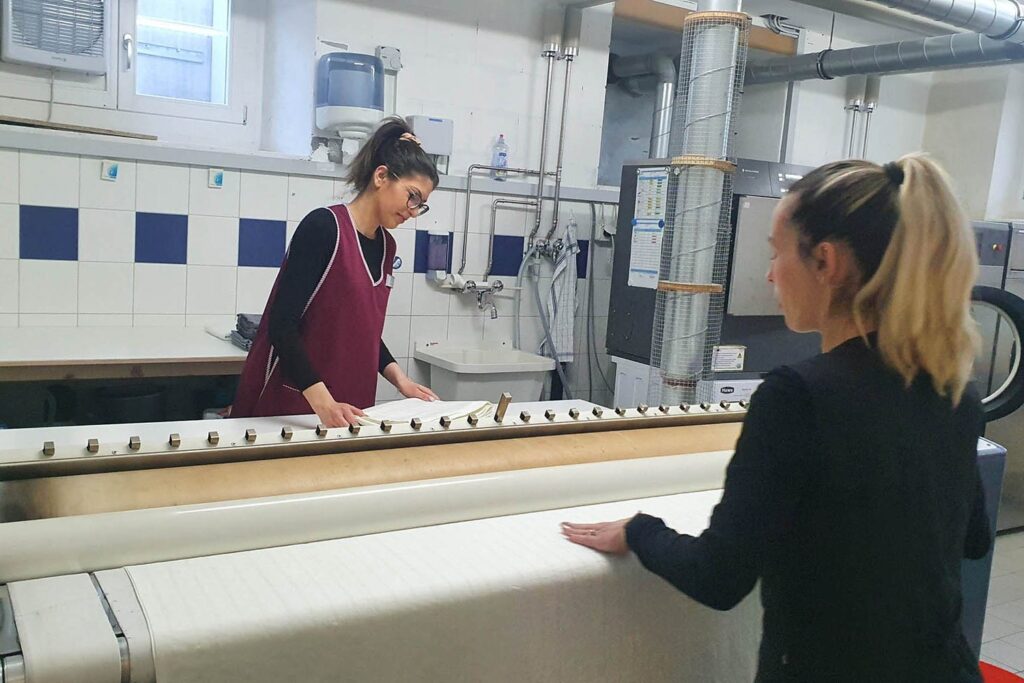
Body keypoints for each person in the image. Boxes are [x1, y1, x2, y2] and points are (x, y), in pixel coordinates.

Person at [563, 154, 991, 682]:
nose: (769, 273)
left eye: (776, 252)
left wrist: (640, 530)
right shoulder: (952, 388)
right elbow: (972, 539)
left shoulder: (797, 396)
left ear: (826, 262)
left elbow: (718, 577)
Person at [233, 117, 440, 427]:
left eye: (421, 204)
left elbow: (364, 331)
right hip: (297, 405)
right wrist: (323, 402)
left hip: (352, 406)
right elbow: (281, 325)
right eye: (412, 196)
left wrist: (401, 381)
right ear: (381, 176)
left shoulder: (387, 247)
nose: (413, 211)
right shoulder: (324, 227)